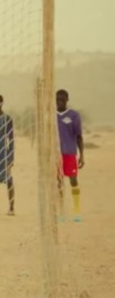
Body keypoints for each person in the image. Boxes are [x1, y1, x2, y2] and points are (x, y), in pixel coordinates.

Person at [56, 89, 85, 222]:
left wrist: (82, 156)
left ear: (67, 100)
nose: (60, 102)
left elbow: (79, 137)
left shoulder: (73, 116)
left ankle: (76, 209)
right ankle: (61, 212)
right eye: (58, 100)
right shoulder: (51, 115)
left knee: (73, 180)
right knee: (59, 183)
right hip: (56, 155)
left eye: (62, 100)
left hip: (70, 153)